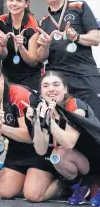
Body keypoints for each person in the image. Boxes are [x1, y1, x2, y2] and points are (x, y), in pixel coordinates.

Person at [0, 56, 59, 200]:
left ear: (1, 79)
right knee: (5, 193)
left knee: (33, 195)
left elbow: (28, 137)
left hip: (40, 148)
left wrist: (2, 128)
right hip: (16, 151)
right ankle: (30, 177)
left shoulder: (19, 95)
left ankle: (64, 181)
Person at [25, 71, 100, 205]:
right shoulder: (42, 108)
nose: (51, 89)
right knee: (33, 194)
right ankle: (72, 184)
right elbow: (41, 150)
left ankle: (85, 184)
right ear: (41, 91)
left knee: (60, 153)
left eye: (56, 84)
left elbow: (69, 143)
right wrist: (36, 122)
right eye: (46, 86)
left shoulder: (75, 106)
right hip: (67, 160)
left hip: (91, 161)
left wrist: (50, 121)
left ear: (65, 89)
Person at [37, 0, 100, 120]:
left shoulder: (79, 6)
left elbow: (96, 38)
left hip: (85, 75)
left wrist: (77, 37)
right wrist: (44, 46)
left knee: (95, 121)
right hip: (59, 81)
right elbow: (41, 57)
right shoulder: (43, 22)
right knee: (63, 124)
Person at [0, 0, 42, 90]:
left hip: (30, 77)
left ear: (26, 3)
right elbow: (1, 56)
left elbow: (33, 61)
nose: (14, 4)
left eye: (19, 0)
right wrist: (2, 46)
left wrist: (21, 47)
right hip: (8, 75)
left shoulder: (32, 24)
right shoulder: (0, 22)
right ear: (6, 1)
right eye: (11, 0)